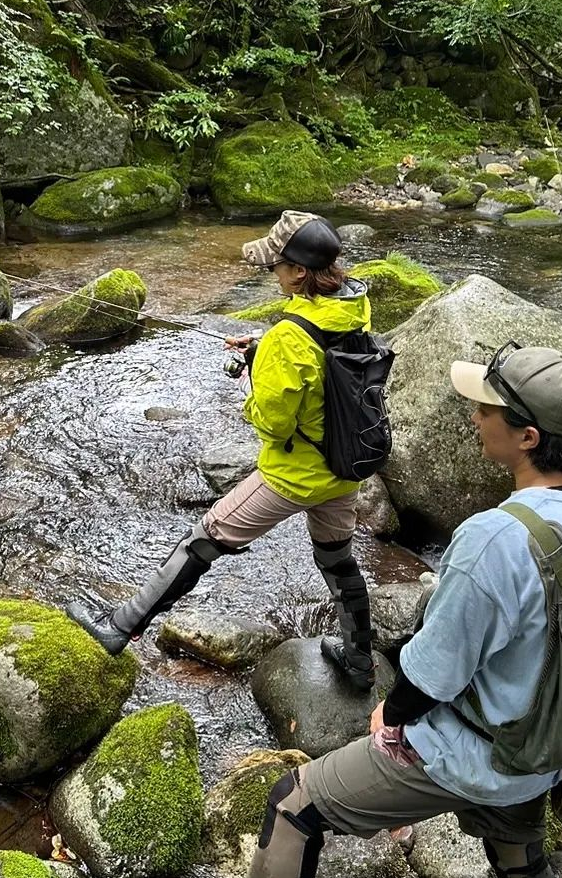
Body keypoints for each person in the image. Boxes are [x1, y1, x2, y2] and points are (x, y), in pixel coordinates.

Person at [203, 344, 562, 878]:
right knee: (520, 853)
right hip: (544, 747)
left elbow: (433, 676)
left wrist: (391, 718)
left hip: (473, 754)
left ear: (528, 436)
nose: (474, 417)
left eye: (485, 409)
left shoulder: (494, 540)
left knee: (294, 804)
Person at [68, 210, 378, 690]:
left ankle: (119, 626)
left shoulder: (288, 339)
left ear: (298, 272)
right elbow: (320, 362)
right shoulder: (352, 309)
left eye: (275, 264)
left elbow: (275, 425)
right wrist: (265, 348)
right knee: (337, 556)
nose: (271, 272)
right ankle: (360, 660)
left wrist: (256, 379)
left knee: (202, 539)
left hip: (295, 475)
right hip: (345, 466)